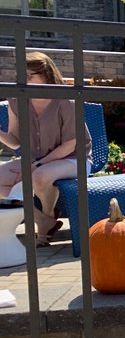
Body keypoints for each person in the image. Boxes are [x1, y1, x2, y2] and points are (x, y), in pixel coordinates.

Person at [0, 52, 92, 246]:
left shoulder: (66, 101)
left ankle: (45, 224)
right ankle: (44, 220)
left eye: (29, 76)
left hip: (74, 158)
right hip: (36, 161)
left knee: (39, 176)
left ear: (46, 75)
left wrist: (39, 163)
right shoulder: (16, 101)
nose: (23, 80)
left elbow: (71, 144)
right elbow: (16, 141)